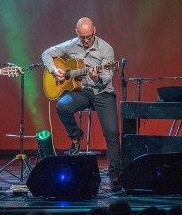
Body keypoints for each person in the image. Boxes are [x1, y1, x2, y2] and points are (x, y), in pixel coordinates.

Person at [41, 17, 122, 179]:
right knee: (62, 106)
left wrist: (95, 78)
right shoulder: (71, 44)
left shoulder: (106, 49)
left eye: (88, 37)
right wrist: (54, 70)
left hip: (102, 92)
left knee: (112, 133)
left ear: (94, 31)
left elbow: (106, 78)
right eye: (82, 37)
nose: (85, 40)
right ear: (77, 32)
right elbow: (46, 54)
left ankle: (115, 174)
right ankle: (76, 136)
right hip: (82, 91)